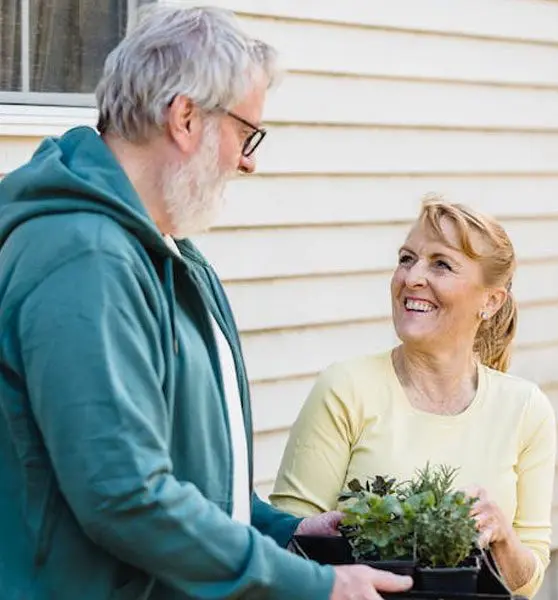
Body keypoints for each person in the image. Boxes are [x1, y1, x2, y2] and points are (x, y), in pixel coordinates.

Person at [0, 6, 413, 600]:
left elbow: (187, 471)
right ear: (186, 118)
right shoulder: (85, 257)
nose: (249, 160)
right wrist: (314, 586)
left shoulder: (168, 252)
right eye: (247, 133)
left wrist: (285, 529)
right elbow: (126, 494)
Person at [271, 197, 557, 598]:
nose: (412, 277)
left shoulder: (526, 409)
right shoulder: (346, 389)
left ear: (490, 302)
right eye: (407, 258)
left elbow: (528, 580)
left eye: (441, 264)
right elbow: (288, 542)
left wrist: (503, 537)